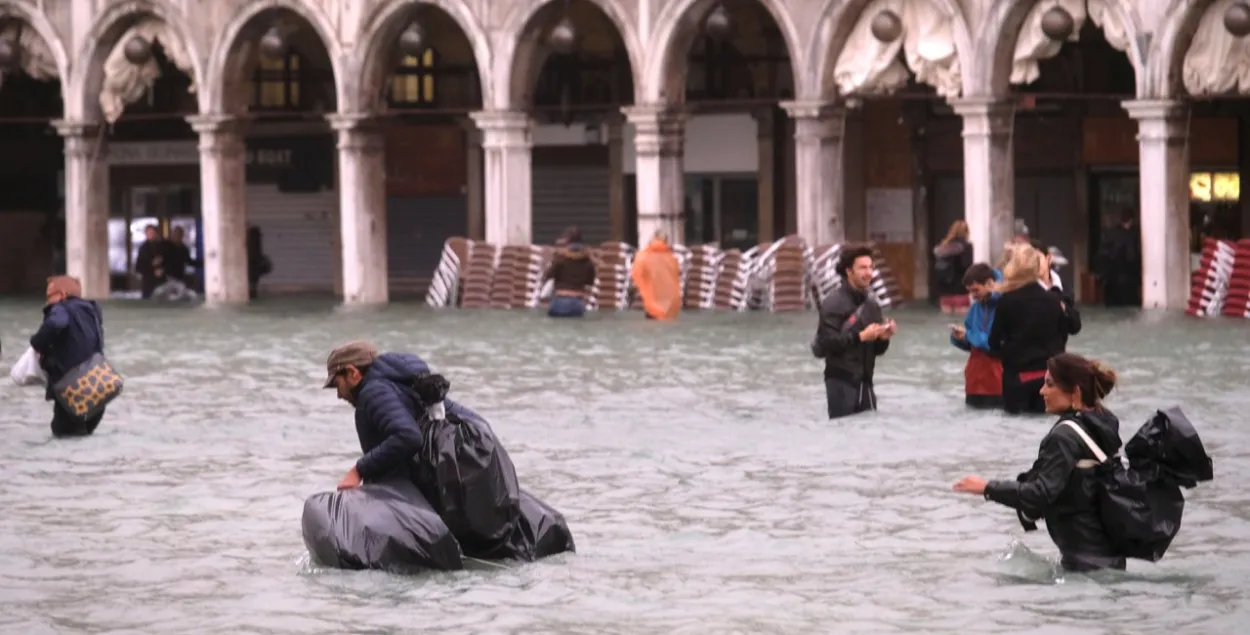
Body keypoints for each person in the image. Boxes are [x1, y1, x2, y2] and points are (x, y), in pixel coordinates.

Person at [953, 353, 1126, 572]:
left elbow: (1040, 493)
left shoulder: (1064, 437)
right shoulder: (1101, 423)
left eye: (1050, 384)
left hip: (1084, 564)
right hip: (1109, 558)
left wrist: (987, 488)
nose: (1041, 391)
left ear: (1075, 392)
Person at [322, 341, 429, 490]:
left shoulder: (374, 392)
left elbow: (409, 436)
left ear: (352, 373)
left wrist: (358, 470)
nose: (339, 395)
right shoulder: (401, 385)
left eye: (337, 384)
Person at [811, 243, 895, 419]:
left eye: (871, 267)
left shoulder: (872, 306)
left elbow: (878, 351)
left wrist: (883, 338)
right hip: (840, 381)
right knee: (843, 437)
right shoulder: (833, 303)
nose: (869, 273)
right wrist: (862, 336)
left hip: (866, 383)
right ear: (849, 271)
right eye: (862, 268)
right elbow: (828, 343)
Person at [988, 245, 1070, 415]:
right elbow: (1063, 335)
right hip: (1049, 376)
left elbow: (993, 341)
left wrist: (1006, 355)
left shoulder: (1006, 301)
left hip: (1017, 376)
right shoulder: (1054, 300)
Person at [29, 276, 107, 437]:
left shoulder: (61, 308)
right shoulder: (92, 310)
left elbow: (56, 323)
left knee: (63, 436)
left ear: (62, 294)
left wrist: (36, 342)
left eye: (50, 296)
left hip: (72, 390)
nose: (48, 301)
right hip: (98, 387)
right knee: (84, 436)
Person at [949, 263, 1003, 409]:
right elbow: (971, 342)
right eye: (970, 291)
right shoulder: (975, 308)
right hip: (974, 381)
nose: (973, 295)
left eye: (976, 290)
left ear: (990, 284)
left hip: (997, 381)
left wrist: (969, 335)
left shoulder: (1004, 306)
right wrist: (959, 337)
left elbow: (995, 343)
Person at [544, 226, 598, 318]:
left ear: (567, 241)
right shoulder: (588, 261)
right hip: (577, 303)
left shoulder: (561, 258)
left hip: (560, 301)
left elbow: (548, 275)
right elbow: (590, 282)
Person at [630, 230, 681, 320]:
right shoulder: (672, 258)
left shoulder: (643, 256)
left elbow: (636, 275)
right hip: (670, 305)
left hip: (653, 304)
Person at [1096, 210, 1141, 307]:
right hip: (1127, 280)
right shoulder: (1132, 235)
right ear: (1131, 220)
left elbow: (1103, 256)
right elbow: (1132, 256)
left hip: (1113, 280)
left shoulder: (1112, 234)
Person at [933, 220, 974, 314]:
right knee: (961, 323)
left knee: (947, 323)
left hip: (944, 291)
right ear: (966, 232)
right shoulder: (967, 247)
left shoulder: (942, 247)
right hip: (960, 290)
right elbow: (967, 267)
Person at [134, 224, 166, 299]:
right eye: (148, 233)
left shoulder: (163, 246)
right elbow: (139, 267)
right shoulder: (143, 248)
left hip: (162, 282)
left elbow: (170, 262)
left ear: (156, 233)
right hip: (148, 282)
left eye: (152, 233)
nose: (150, 235)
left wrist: (163, 269)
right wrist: (151, 264)